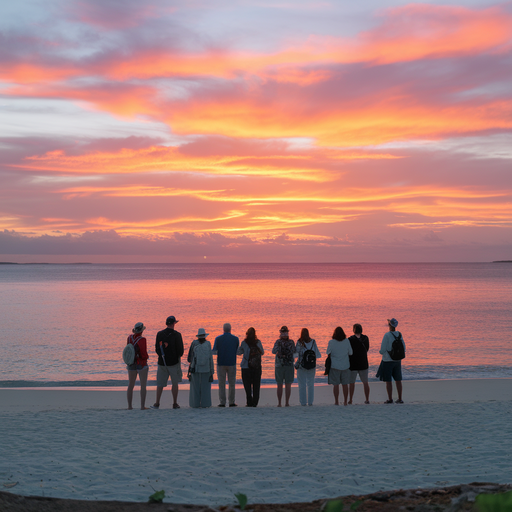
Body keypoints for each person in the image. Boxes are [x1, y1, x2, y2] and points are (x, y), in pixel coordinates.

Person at [151, 315, 184, 410]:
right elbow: (181, 351)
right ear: (174, 323)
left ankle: (157, 403)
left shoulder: (159, 334)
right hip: (174, 363)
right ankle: (174, 403)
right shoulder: (177, 335)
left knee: (160, 384)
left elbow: (157, 349)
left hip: (162, 362)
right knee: (175, 384)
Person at [377, 318, 405, 404]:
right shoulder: (399, 334)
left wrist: (381, 352)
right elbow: (404, 347)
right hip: (397, 360)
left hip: (387, 360)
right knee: (398, 380)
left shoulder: (387, 335)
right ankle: (400, 398)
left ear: (389, 325)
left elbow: (382, 349)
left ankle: (390, 399)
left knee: (388, 381)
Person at [212, 323, 239, 407]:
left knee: (221, 383)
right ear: (230, 329)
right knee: (232, 383)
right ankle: (231, 401)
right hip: (231, 363)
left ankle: (222, 402)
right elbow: (237, 351)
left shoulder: (218, 339)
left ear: (223, 329)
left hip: (221, 363)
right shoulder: (235, 339)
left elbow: (214, 351)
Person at [188, 328, 214, 408]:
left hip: (196, 369)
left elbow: (189, 358)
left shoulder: (194, 343)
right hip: (206, 369)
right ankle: (205, 404)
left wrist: (190, 369)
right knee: (206, 388)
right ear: (204, 336)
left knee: (195, 388)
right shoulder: (208, 344)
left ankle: (195, 404)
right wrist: (212, 371)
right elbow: (210, 358)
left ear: (198, 336)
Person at [326, 326, 353, 406]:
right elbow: (351, 353)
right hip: (345, 365)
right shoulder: (347, 341)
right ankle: (345, 401)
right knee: (345, 384)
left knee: (336, 385)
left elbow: (328, 352)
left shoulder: (331, 342)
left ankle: (336, 401)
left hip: (335, 366)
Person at [238, 327, 264, 407]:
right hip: (256, 367)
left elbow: (238, 352)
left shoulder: (244, 343)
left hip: (246, 367)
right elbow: (262, 352)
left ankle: (249, 402)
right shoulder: (258, 342)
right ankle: (255, 402)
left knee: (247, 386)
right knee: (256, 385)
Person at [126, 322, 149, 410]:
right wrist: (147, 357)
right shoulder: (142, 340)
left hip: (131, 362)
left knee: (130, 385)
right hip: (141, 363)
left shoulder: (129, 338)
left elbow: (128, 349)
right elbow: (143, 354)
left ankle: (129, 406)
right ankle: (142, 406)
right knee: (143, 385)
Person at [295, 328, 321, 406]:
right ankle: (310, 402)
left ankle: (303, 402)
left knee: (302, 384)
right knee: (311, 384)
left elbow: (297, 355)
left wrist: (296, 364)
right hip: (312, 366)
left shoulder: (299, 342)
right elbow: (318, 355)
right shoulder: (313, 342)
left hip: (302, 366)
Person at [272, 326, 295, 407]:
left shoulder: (278, 342)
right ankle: (287, 402)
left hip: (279, 365)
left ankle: (279, 403)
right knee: (288, 384)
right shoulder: (291, 342)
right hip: (289, 364)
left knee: (279, 384)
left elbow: (274, 351)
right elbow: (294, 351)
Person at [348, 323, 370, 404]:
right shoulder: (365, 338)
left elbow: (349, 351)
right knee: (365, 382)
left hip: (353, 363)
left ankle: (350, 399)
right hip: (363, 363)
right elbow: (367, 349)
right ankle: (367, 399)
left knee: (351, 383)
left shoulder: (350, 339)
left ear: (354, 330)